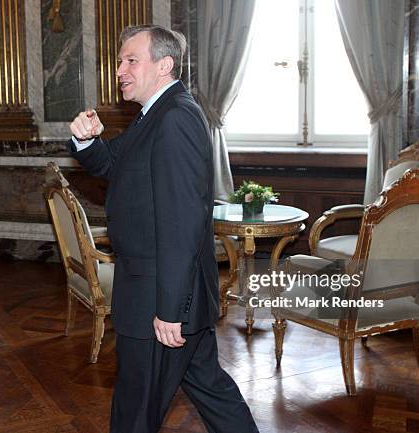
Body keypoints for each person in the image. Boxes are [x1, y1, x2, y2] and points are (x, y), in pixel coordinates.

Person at [67, 24, 259, 433]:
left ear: (164, 65)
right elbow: (110, 164)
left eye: (131, 60)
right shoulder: (153, 115)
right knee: (211, 390)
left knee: (135, 411)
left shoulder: (174, 119)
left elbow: (181, 223)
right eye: (120, 61)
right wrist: (87, 141)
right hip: (165, 293)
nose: (120, 69)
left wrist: (170, 310)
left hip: (162, 299)